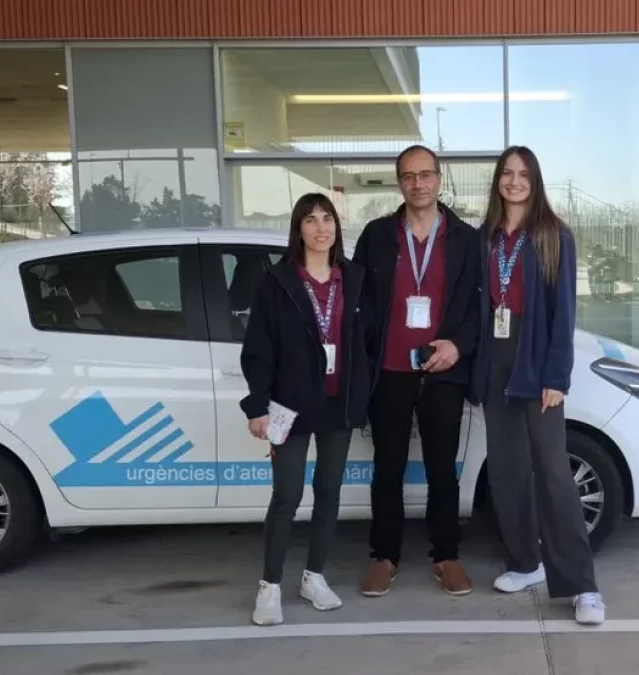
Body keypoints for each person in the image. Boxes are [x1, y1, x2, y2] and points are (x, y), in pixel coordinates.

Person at [469, 146, 606, 625]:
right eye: (507, 174)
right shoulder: (485, 236)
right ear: (497, 181)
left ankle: (582, 586)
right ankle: (526, 562)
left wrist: (556, 376)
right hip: (495, 363)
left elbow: (563, 311)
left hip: (535, 360)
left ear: (535, 180)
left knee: (553, 473)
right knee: (506, 469)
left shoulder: (552, 235)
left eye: (523, 174)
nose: (514, 182)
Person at [352, 144, 481, 597]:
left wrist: (458, 344)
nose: (418, 184)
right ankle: (383, 556)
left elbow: (476, 306)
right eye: (409, 176)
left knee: (441, 469)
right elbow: (359, 304)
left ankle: (446, 556)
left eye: (426, 175)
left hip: (442, 369)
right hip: (388, 371)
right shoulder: (376, 235)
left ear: (439, 179)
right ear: (398, 182)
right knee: (386, 468)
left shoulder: (466, 239)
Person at [240, 192, 372, 626]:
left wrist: (364, 393)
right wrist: (258, 405)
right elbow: (258, 349)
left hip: (338, 404)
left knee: (329, 492)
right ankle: (270, 585)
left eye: (328, 219)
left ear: (337, 226)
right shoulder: (277, 282)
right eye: (311, 220)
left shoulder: (353, 278)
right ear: (298, 229)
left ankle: (313, 576)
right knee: (287, 495)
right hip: (289, 405)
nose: (321, 228)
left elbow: (366, 342)